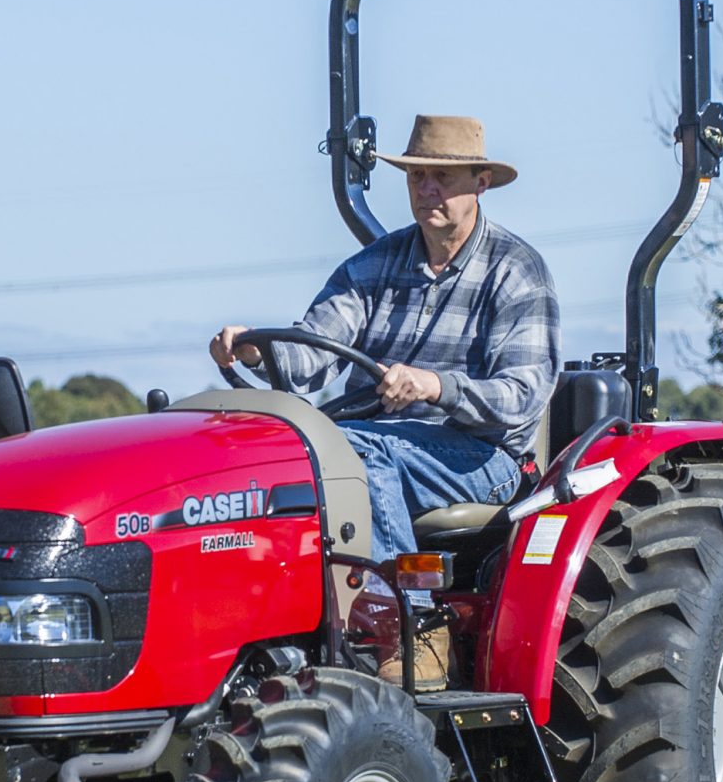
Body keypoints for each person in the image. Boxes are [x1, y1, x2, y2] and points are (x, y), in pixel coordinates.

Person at [210, 114, 560, 687]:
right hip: (373, 441)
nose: (428, 190)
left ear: (481, 184)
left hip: (481, 457)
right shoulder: (373, 268)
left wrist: (435, 386)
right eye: (418, 176)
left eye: (443, 178)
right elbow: (312, 352)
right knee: (279, 454)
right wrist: (250, 351)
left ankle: (412, 629)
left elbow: (521, 396)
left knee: (355, 453)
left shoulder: (516, 272)